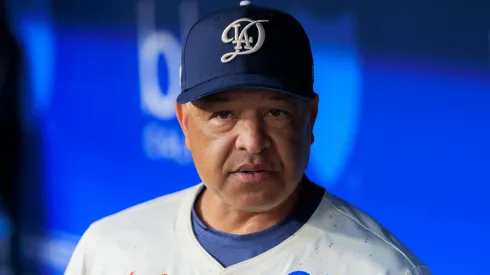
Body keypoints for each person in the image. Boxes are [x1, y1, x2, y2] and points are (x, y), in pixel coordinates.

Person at [65, 1, 431, 274]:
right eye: (223, 114)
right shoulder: (111, 249)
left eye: (276, 112)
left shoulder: (378, 267)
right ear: (184, 122)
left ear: (310, 118)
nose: (252, 142)